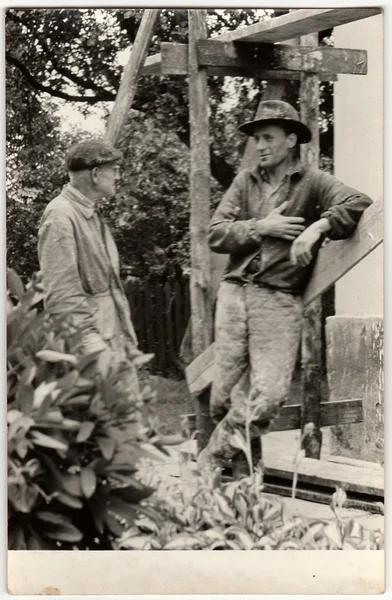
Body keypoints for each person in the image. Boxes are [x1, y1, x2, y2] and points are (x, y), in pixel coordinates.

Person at [197, 100, 373, 476]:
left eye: (268, 138)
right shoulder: (245, 181)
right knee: (222, 399)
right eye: (257, 139)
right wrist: (261, 227)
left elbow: (358, 202)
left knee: (269, 396)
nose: (260, 146)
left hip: (276, 300)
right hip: (233, 294)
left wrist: (316, 228)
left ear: (291, 139)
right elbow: (214, 233)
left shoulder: (312, 182)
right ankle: (247, 479)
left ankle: (212, 457)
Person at [38, 140, 141, 403]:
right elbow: (62, 298)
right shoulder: (60, 217)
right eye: (114, 169)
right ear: (96, 174)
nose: (118, 175)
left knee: (128, 430)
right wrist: (95, 353)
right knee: (107, 433)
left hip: (111, 341)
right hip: (91, 350)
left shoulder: (88, 214)